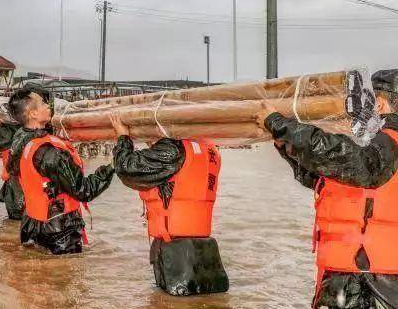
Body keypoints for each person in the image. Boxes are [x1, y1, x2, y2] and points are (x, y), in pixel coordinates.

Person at [255, 69, 398, 309]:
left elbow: (346, 158)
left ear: (380, 104)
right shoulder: (375, 148)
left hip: (365, 282)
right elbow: (326, 177)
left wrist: (280, 125)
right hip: (361, 276)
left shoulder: (387, 143)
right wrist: (286, 146)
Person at [109, 114, 229, 296]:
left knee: (170, 300)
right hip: (204, 251)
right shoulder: (209, 149)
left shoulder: (172, 149)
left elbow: (126, 168)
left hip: (172, 248)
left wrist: (123, 138)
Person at [9, 87, 115, 255]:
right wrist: (112, 166)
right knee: (63, 278)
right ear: (33, 114)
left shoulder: (20, 139)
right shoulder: (51, 153)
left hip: (32, 222)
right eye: (43, 103)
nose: (48, 105)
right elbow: (83, 190)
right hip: (60, 231)